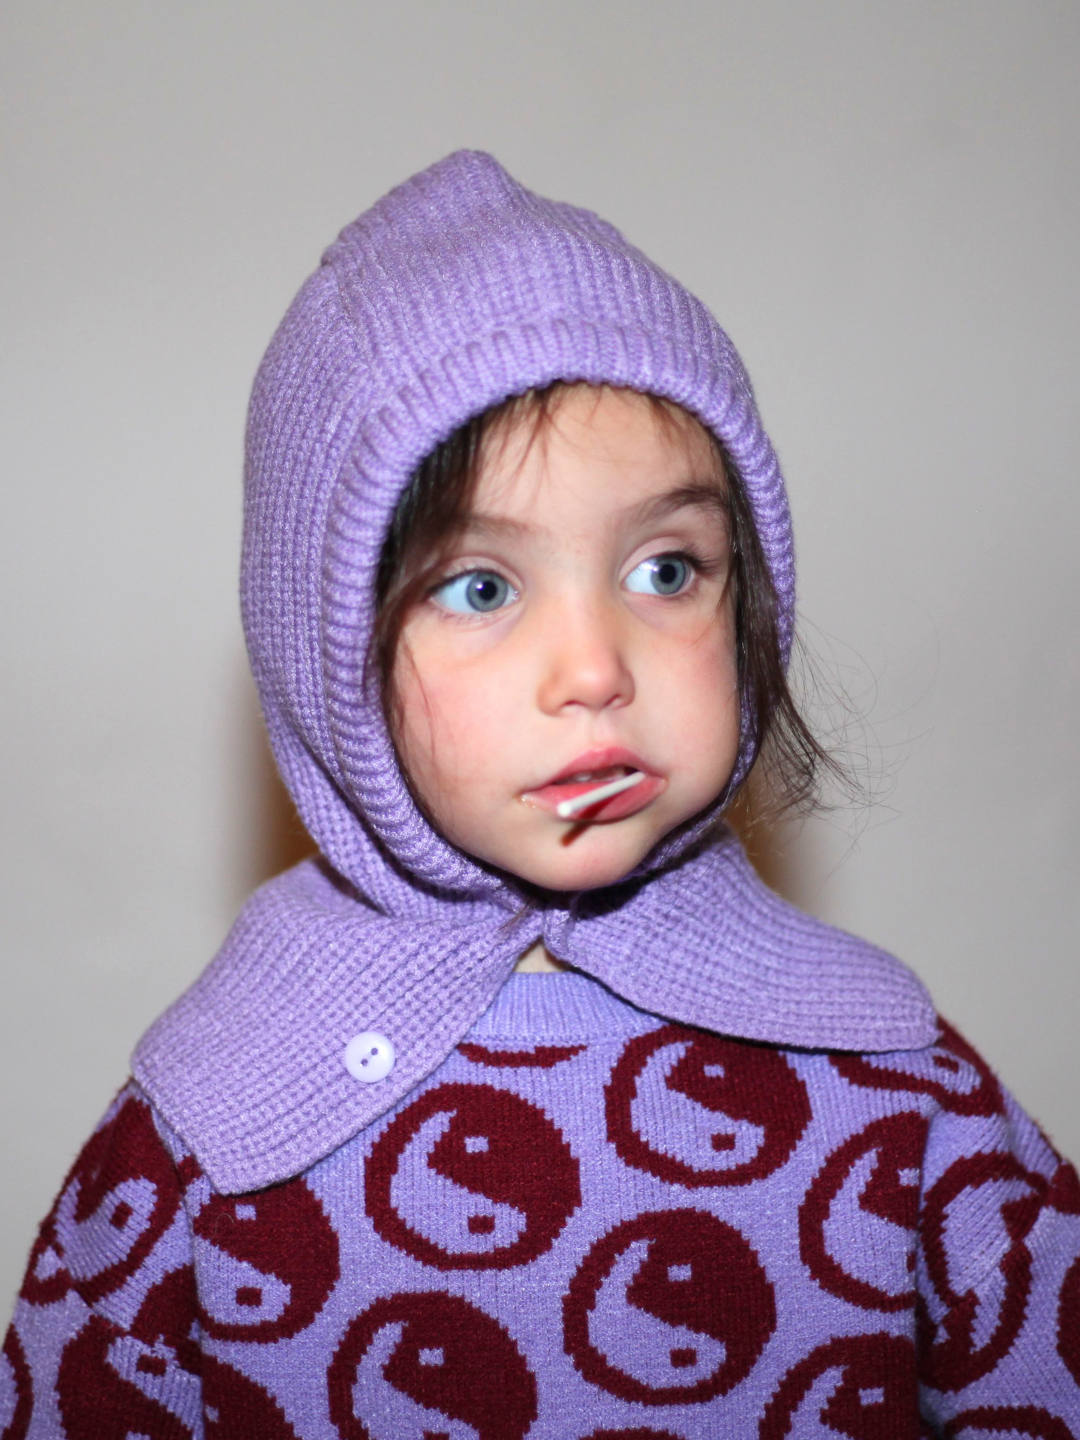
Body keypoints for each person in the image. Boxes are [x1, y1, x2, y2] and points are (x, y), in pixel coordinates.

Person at [4, 150, 1078, 1439]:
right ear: (325, 648)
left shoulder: (893, 1080)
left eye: (669, 570)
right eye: (481, 587)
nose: (595, 670)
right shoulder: (211, 1126)